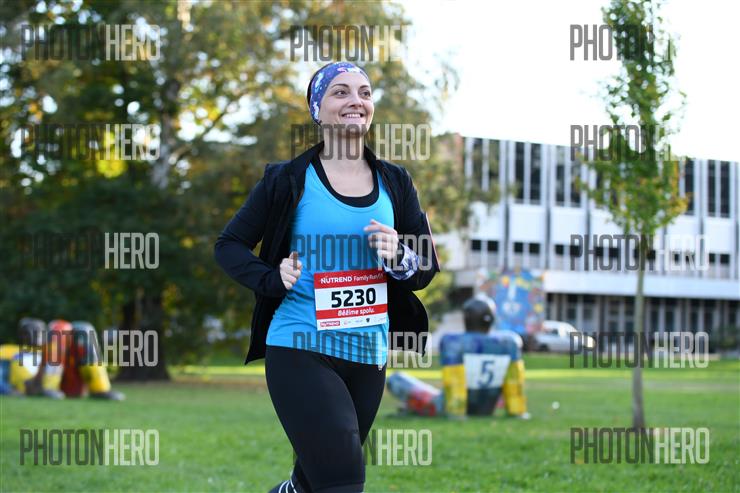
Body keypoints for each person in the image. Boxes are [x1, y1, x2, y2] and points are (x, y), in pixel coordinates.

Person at [214, 61, 440, 493]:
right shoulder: (287, 179)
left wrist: (399, 254)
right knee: (342, 482)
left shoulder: (396, 182)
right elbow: (229, 245)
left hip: (369, 354)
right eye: (341, 92)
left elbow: (425, 268)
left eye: (364, 93)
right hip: (301, 345)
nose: (356, 100)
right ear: (317, 109)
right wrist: (271, 277)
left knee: (311, 484)